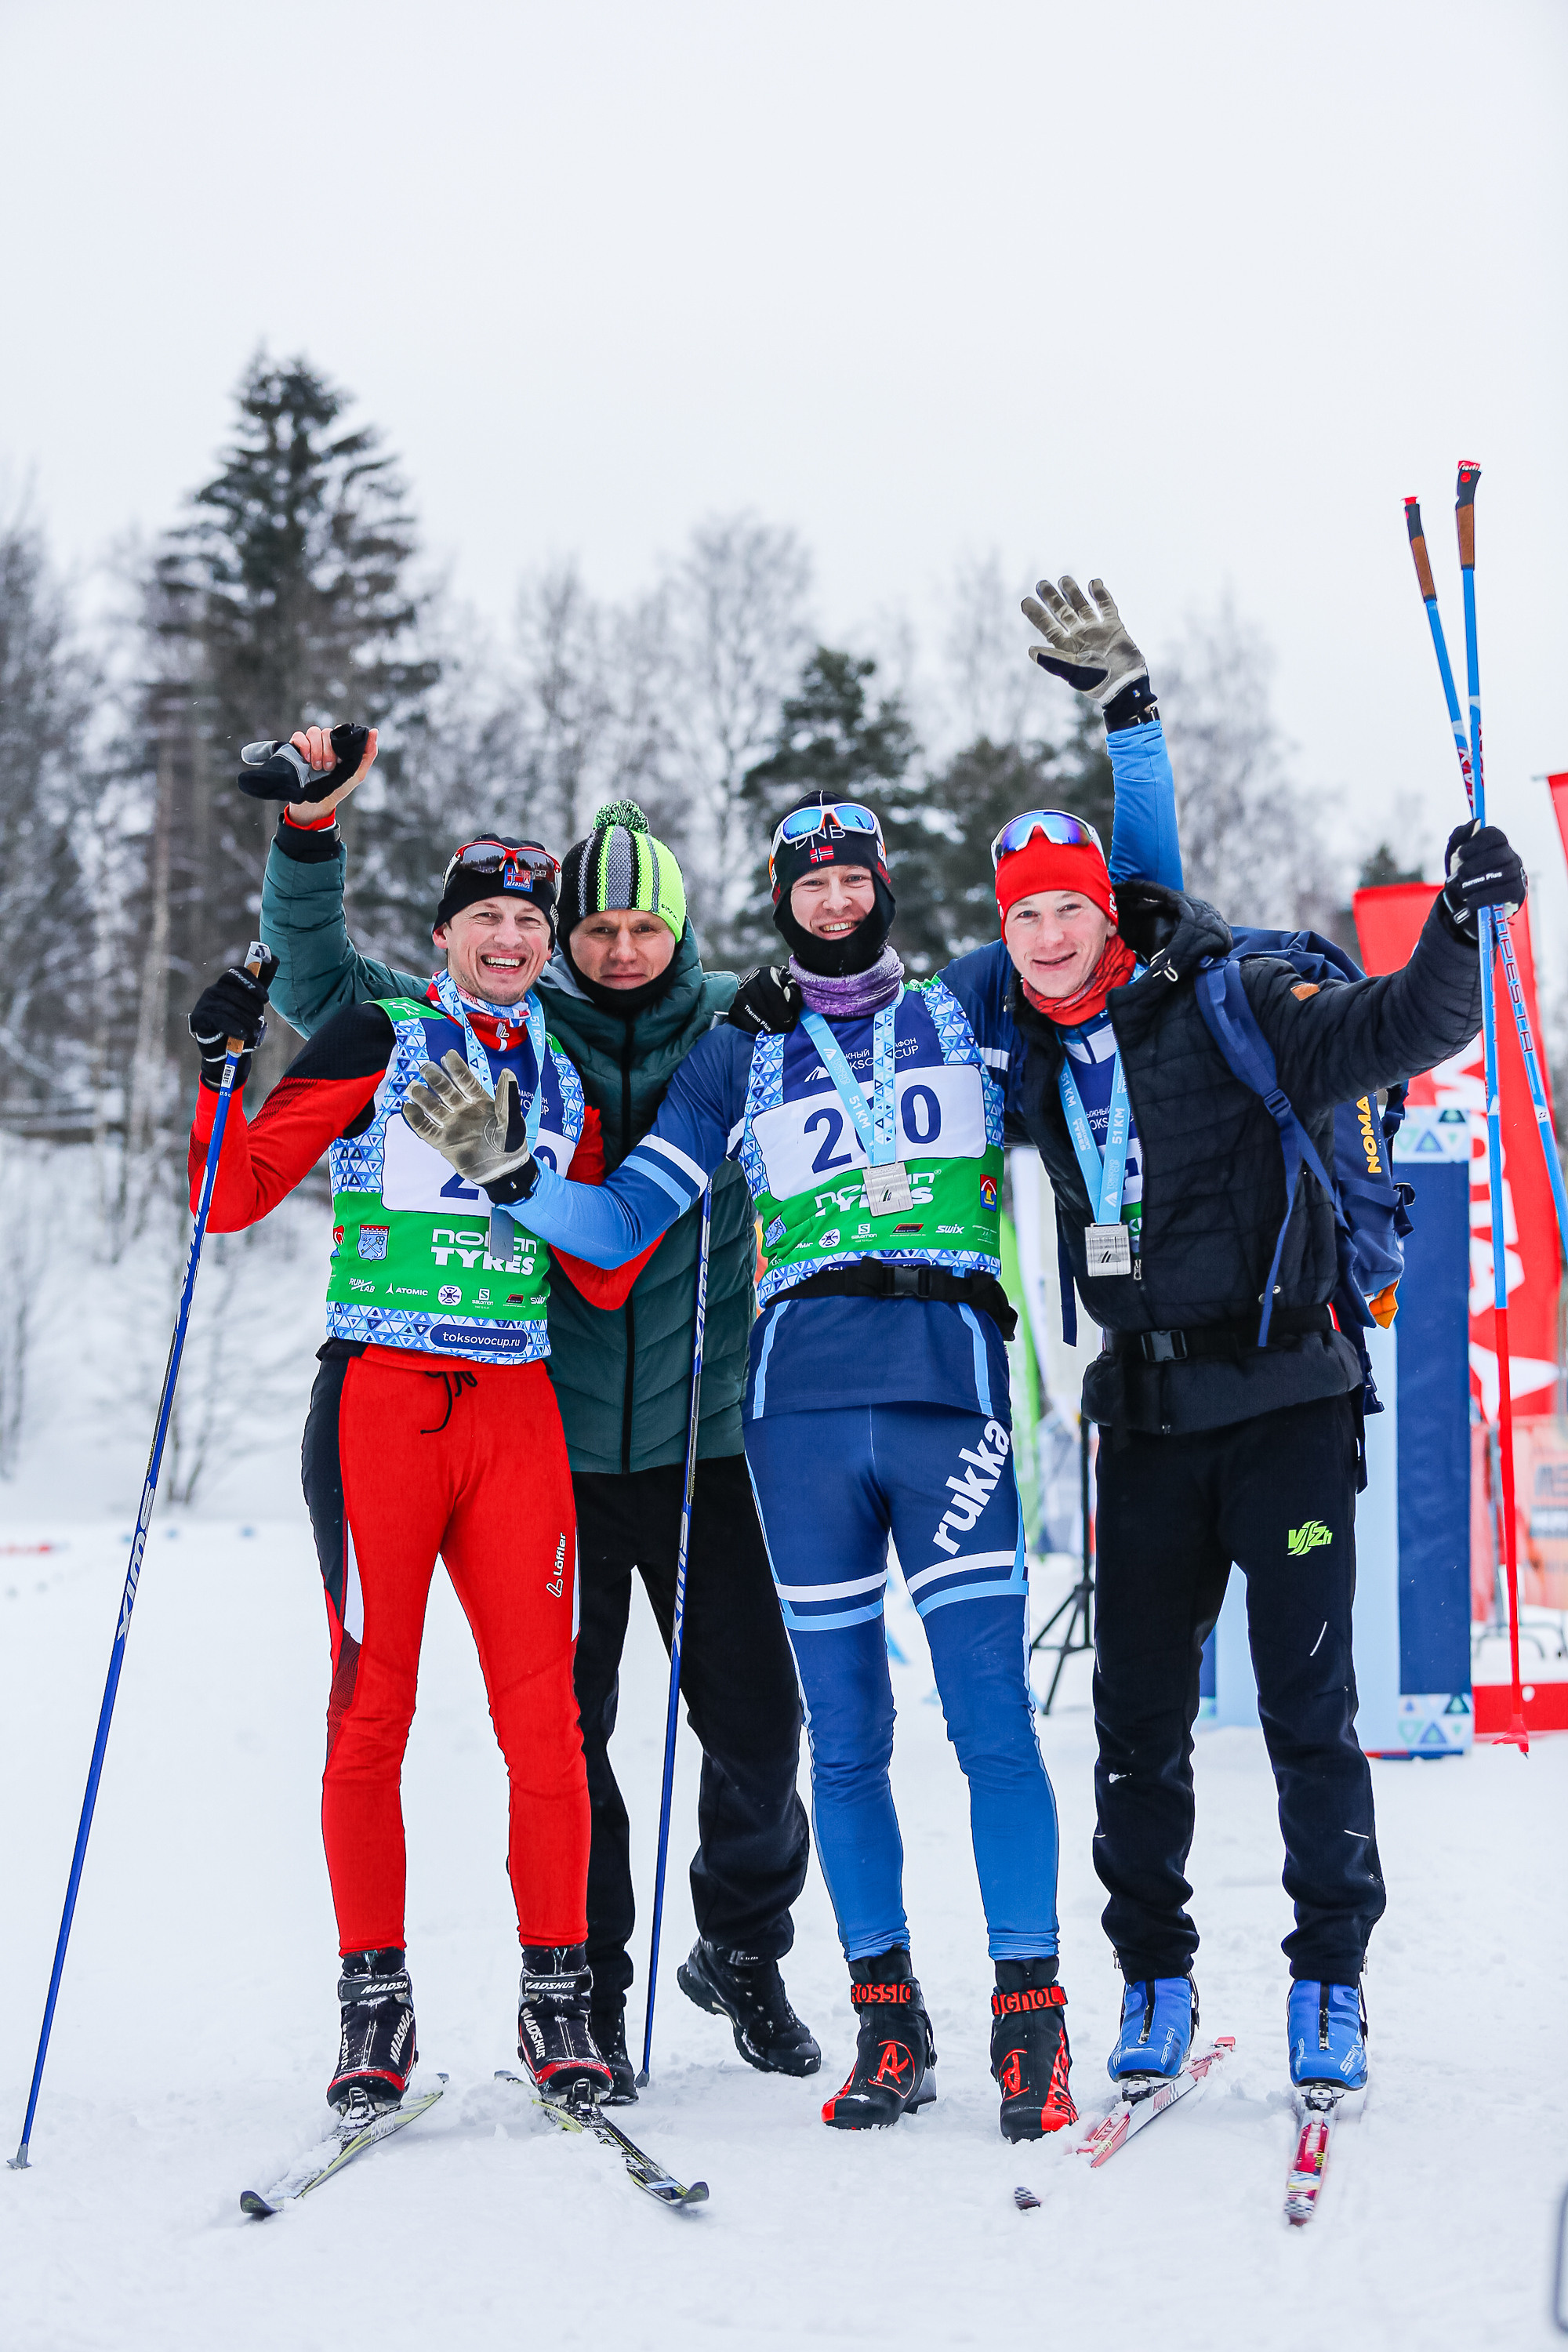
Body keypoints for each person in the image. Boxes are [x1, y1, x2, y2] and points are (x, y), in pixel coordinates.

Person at [402, 784, 1106, 2143]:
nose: (833, 902)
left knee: (987, 1721)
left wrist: (1126, 743)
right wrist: (508, 1172)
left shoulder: (964, 999)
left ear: (885, 884)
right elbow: (613, 1229)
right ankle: (886, 2022)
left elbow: (1075, 934)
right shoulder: (736, 1050)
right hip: (793, 1419)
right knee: (842, 1740)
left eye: (853, 879)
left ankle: (1033, 2016)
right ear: (778, 899)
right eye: (808, 884)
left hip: (948, 1394)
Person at [977, 575, 1515, 2095]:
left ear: (1111, 907)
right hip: (1141, 1428)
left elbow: (1396, 1030)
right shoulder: (1034, 1051)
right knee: (1136, 1727)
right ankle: (1151, 1975)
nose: (1047, 936)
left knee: (1304, 1712)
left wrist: (1460, 939)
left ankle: (1327, 1980)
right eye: (1022, 918)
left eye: (1068, 907)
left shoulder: (1238, 994)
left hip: (1284, 1408)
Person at [257, 768, 815, 2102]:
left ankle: (739, 1945)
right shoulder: (487, 1022)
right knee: (569, 1726)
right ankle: (585, 1996)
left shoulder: (727, 1034)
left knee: (756, 1725)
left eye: (644, 931)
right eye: (590, 931)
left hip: (699, 1442)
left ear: (678, 933)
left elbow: (856, 1000)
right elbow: (320, 970)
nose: (616, 951)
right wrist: (306, 836)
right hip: (545, 1433)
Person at [184, 799, 666, 2117]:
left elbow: (609, 1272)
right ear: (443, 935)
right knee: (370, 1714)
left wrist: (528, 1181)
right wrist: (225, 1066)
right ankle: (374, 2010)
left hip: (516, 1414)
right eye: (487, 918)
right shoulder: (379, 1036)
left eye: (530, 920)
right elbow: (227, 1196)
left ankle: (559, 2005)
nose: (511, 938)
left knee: (547, 1723)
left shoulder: (563, 1069)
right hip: (380, 1407)